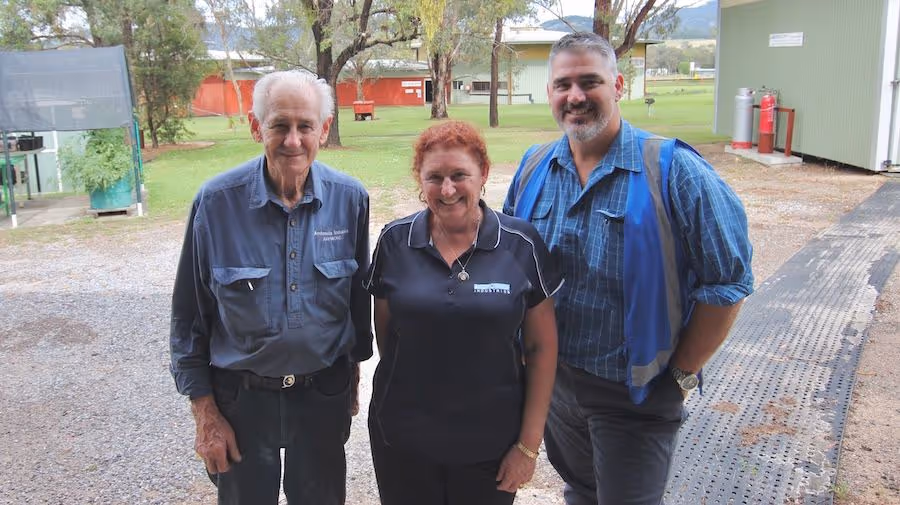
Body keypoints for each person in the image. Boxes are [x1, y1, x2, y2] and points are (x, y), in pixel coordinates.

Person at [503, 32, 754, 505]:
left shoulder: (674, 170)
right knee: (581, 490)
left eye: (590, 82)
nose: (575, 96)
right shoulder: (533, 167)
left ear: (618, 85)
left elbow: (728, 283)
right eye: (563, 85)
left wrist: (681, 376)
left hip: (633, 398)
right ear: (551, 93)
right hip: (555, 390)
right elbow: (514, 267)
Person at [169, 70, 371, 505]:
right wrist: (204, 414)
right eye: (280, 125)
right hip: (241, 403)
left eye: (305, 126)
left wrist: (351, 382)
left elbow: (357, 305)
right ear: (256, 126)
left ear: (325, 128)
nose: (293, 141)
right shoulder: (215, 203)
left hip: (321, 398)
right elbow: (189, 317)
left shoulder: (351, 199)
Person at [363, 120, 562, 505]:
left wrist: (528, 446)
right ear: (419, 179)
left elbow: (542, 349)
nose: (448, 189)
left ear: (483, 173)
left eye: (460, 175)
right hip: (403, 439)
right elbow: (388, 336)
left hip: (491, 445)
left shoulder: (521, 244)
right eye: (434, 177)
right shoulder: (393, 241)